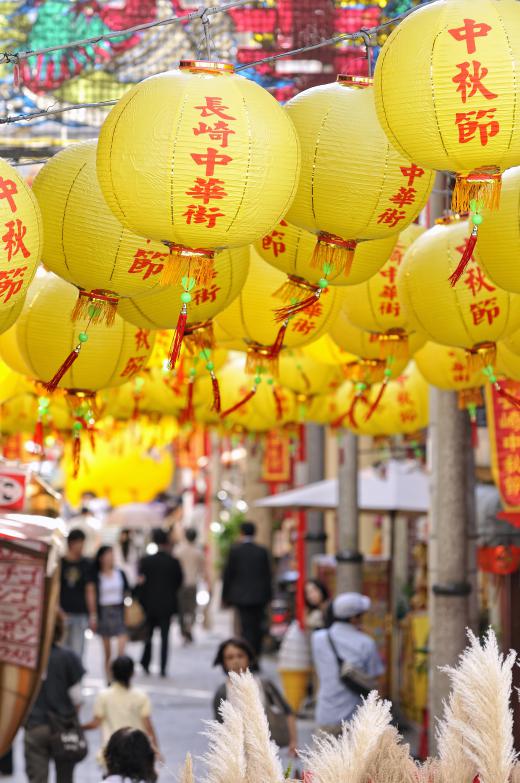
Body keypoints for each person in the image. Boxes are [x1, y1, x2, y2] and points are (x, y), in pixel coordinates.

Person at [311, 592, 385, 736]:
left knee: (324, 758)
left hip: (325, 716)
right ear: (353, 618)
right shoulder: (366, 643)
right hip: (355, 721)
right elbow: (377, 683)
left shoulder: (318, 639)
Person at [24, 612, 85, 783]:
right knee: (65, 778)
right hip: (64, 726)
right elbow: (77, 698)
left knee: (37, 778)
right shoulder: (68, 657)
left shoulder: (29, 658)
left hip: (35, 725)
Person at [212, 637, 297, 756]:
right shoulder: (222, 692)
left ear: (249, 658)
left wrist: (293, 742)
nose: (236, 661)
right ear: (224, 663)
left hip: (265, 750)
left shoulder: (264, 685)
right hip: (238, 753)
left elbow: (287, 712)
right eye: (230, 657)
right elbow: (220, 728)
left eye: (240, 655)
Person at [82, 656, 160, 761]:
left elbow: (95, 723)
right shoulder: (141, 696)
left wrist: (78, 727)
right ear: (133, 673)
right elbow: (148, 726)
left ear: (112, 673)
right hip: (136, 750)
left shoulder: (104, 696)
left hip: (111, 751)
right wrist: (156, 749)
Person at [222, 521, 272, 657]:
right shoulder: (262, 551)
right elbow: (268, 575)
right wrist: (269, 596)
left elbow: (228, 575)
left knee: (245, 628)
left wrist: (225, 596)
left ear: (241, 533)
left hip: (240, 596)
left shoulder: (235, 551)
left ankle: (248, 657)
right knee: (257, 627)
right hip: (259, 596)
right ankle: (256, 655)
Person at [138, 528, 183, 677]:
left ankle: (146, 662)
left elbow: (141, 584)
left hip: (150, 604)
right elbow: (179, 582)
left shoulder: (146, 561)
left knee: (148, 635)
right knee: (165, 637)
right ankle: (163, 667)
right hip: (167, 605)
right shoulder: (173, 562)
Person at [87, 545, 129, 681]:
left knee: (121, 650)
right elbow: (92, 595)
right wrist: (93, 616)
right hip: (104, 612)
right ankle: (109, 679)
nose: (110, 558)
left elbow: (127, 592)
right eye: (107, 555)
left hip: (119, 610)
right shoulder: (96, 576)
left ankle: (120, 677)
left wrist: (127, 612)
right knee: (108, 653)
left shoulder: (120, 573)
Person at [60, 529, 93, 660]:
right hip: (62, 614)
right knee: (61, 650)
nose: (81, 547)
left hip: (80, 613)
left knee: (77, 652)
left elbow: (90, 590)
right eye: (80, 543)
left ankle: (75, 679)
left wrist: (93, 614)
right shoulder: (60, 563)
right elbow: (55, 589)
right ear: (71, 543)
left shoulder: (87, 564)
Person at [175, 527, 207, 644]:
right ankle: (189, 628)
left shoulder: (179, 550)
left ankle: (184, 630)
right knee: (192, 609)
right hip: (193, 583)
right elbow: (203, 569)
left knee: (182, 609)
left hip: (181, 584)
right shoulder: (198, 552)